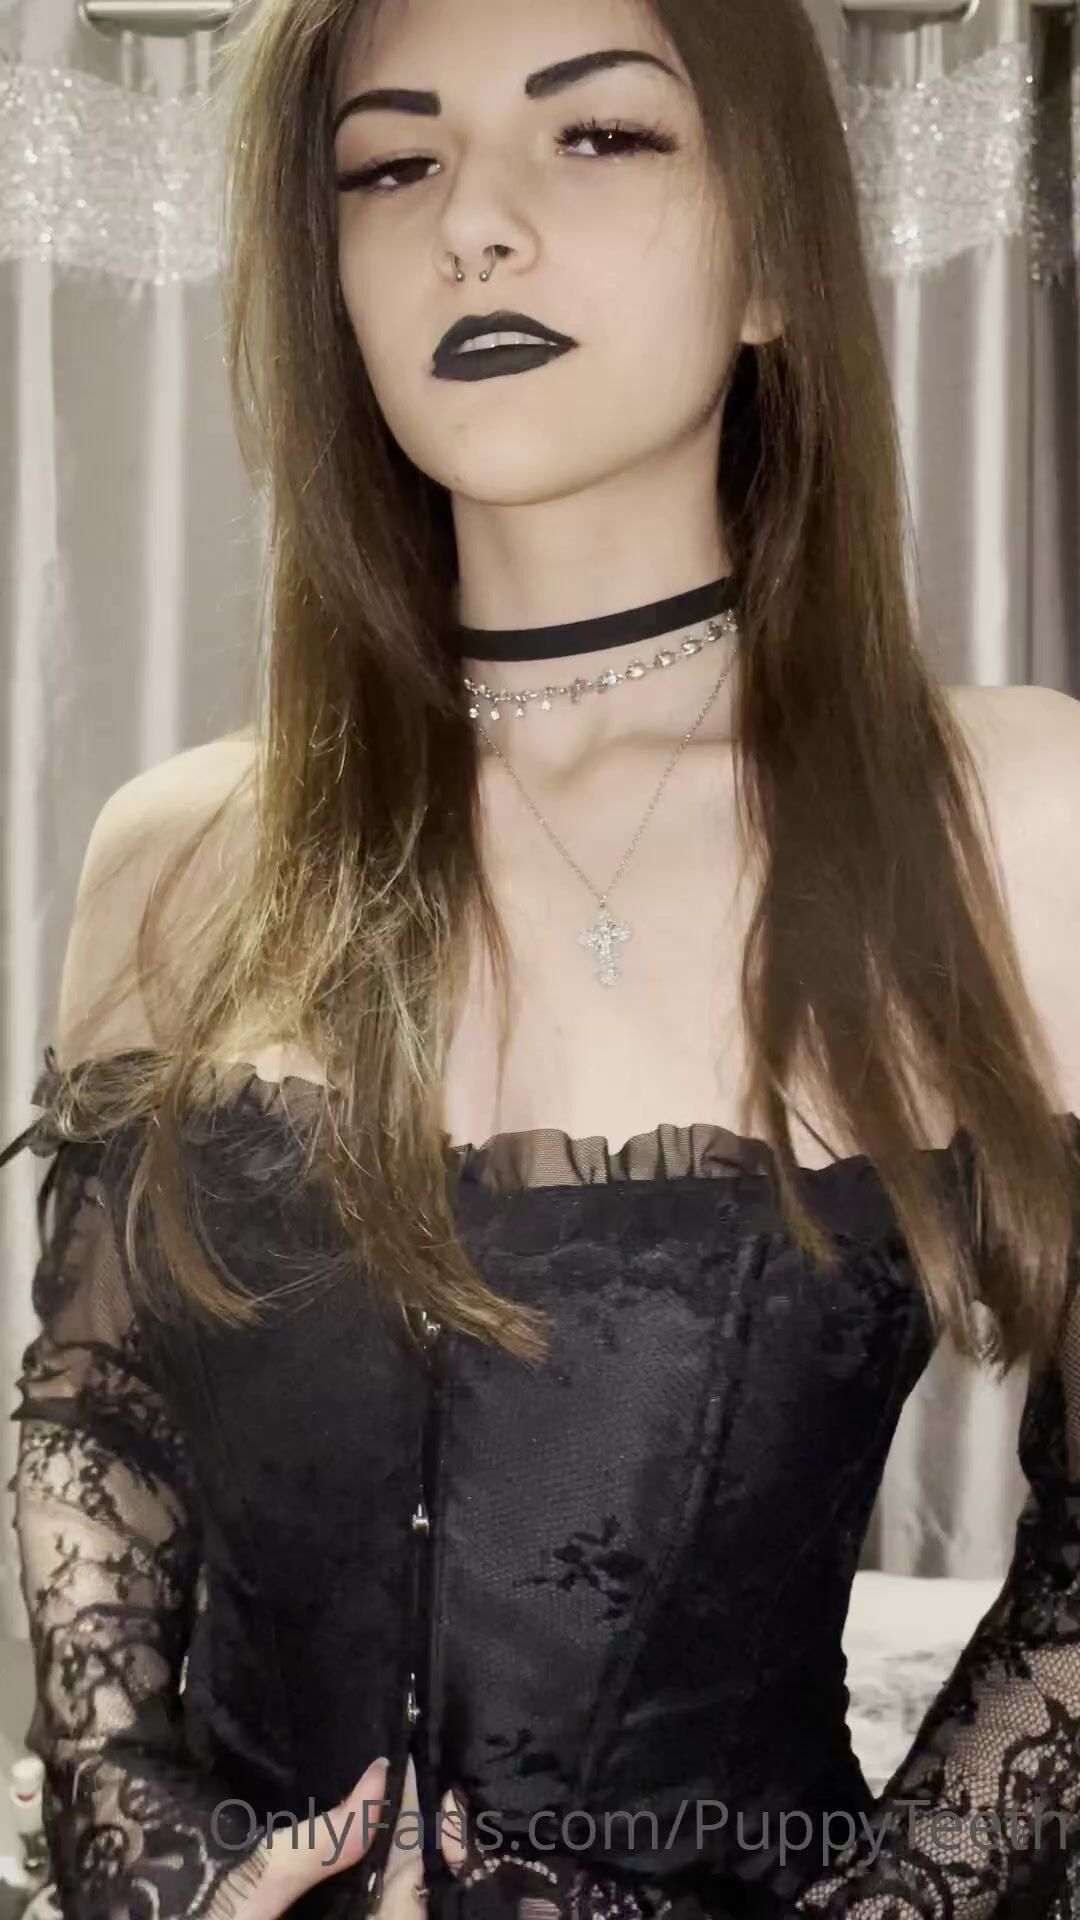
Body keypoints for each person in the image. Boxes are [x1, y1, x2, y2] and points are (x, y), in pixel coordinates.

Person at [2, 0, 1079, 1916]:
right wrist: (151, 1854)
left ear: (775, 259)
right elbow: (102, 1419)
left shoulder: (1015, 814)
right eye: (390, 163)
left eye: (600, 136)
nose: (472, 223)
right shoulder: (179, 848)